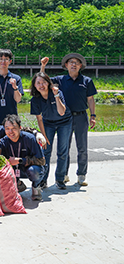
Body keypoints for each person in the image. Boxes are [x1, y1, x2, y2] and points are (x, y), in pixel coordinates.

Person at [46, 54, 97, 186]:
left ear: (81, 66)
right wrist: (43, 66)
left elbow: (90, 99)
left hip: (81, 116)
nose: (74, 65)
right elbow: (42, 80)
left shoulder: (87, 81)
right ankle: (63, 174)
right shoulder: (60, 80)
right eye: (71, 62)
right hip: (65, 118)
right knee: (64, 148)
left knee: (82, 147)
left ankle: (81, 175)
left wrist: (93, 116)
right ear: (66, 65)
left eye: (77, 63)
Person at [30, 72, 72, 190]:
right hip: (48, 123)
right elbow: (39, 118)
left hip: (65, 122)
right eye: (38, 83)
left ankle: (60, 179)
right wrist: (43, 135)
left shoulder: (57, 93)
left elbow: (62, 112)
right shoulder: (35, 100)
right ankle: (43, 180)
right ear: (35, 85)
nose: (41, 85)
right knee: (45, 151)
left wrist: (57, 95)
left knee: (62, 151)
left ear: (48, 83)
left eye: (44, 82)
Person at [0, 114, 46, 201]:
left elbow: (42, 161)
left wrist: (20, 160)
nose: (10, 131)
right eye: (7, 128)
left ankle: (36, 186)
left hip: (29, 169)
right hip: (15, 171)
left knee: (35, 171)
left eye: (14, 128)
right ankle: (18, 184)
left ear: (20, 128)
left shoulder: (29, 138)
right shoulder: (4, 141)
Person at [0, 49, 24, 124]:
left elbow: (18, 100)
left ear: (10, 61)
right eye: (1, 59)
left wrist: (15, 88)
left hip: (12, 120)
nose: (3, 61)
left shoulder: (16, 78)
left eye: (6, 59)